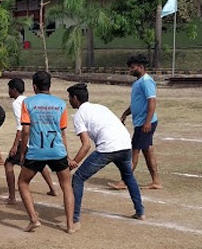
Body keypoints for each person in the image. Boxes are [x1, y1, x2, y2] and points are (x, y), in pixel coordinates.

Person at [67, 83, 145, 229]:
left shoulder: (79, 115)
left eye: (70, 98)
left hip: (108, 147)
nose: (69, 101)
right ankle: (140, 212)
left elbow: (86, 145)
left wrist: (74, 162)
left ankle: (75, 218)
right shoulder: (101, 107)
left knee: (78, 178)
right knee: (128, 176)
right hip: (125, 144)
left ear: (75, 98)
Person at [17, 71, 76, 233]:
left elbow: (26, 130)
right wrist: (67, 155)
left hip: (36, 152)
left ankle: (34, 220)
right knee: (66, 186)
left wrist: (23, 153)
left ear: (34, 86)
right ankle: (70, 225)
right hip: (57, 151)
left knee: (23, 183)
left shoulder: (28, 103)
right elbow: (63, 133)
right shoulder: (61, 104)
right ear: (49, 85)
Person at [1, 78, 56, 205]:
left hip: (27, 139)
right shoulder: (28, 100)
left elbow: (21, 127)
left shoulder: (16, 104)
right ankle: (52, 189)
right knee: (40, 163)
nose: (8, 92)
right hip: (37, 137)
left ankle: (12, 197)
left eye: (9, 89)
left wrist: (15, 146)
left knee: (8, 164)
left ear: (14, 90)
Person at [111, 54, 161, 189]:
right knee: (147, 151)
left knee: (134, 151)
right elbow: (136, 103)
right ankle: (156, 181)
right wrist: (125, 114)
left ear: (141, 67)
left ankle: (124, 181)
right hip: (141, 122)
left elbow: (152, 101)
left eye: (132, 67)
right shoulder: (138, 82)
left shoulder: (146, 81)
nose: (130, 70)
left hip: (144, 123)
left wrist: (147, 122)